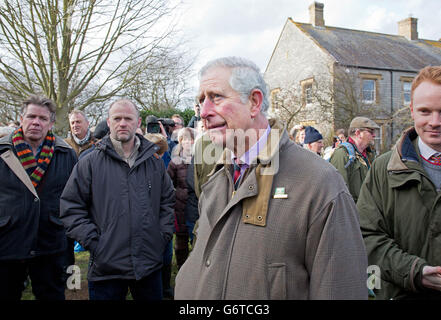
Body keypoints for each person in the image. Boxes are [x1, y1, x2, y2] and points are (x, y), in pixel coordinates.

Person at [174, 56, 368, 300]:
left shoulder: (319, 182)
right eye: (200, 101)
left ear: (254, 102)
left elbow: (340, 288)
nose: (204, 112)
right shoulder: (217, 178)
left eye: (216, 97)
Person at [60, 98, 175, 301]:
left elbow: (167, 202)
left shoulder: (154, 162)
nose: (123, 123)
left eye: (128, 118)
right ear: (109, 122)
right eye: (117, 118)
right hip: (106, 267)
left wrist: (160, 236)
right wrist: (95, 243)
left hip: (148, 265)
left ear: (137, 123)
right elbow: (71, 206)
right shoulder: (89, 162)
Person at [357, 65, 441, 300]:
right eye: (425, 111)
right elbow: (366, 237)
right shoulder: (382, 169)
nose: (435, 121)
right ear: (412, 111)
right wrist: (413, 271)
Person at [0, 94, 77, 300]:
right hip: (8, 242)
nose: (36, 122)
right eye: (31, 116)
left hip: (50, 242)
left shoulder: (65, 153)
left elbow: (74, 197)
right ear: (21, 118)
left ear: (51, 123)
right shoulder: (2, 151)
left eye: (43, 118)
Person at [329, 117, 379, 203]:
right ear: (358, 133)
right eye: (371, 131)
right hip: (353, 212)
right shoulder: (342, 154)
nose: (374, 135)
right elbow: (339, 194)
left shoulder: (370, 155)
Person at [167, 127, 196, 270]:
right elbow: (167, 184)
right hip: (180, 207)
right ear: (180, 141)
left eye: (191, 139)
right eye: (185, 139)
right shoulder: (175, 162)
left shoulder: (199, 160)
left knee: (196, 239)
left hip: (195, 206)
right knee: (181, 241)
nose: (189, 142)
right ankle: (182, 268)